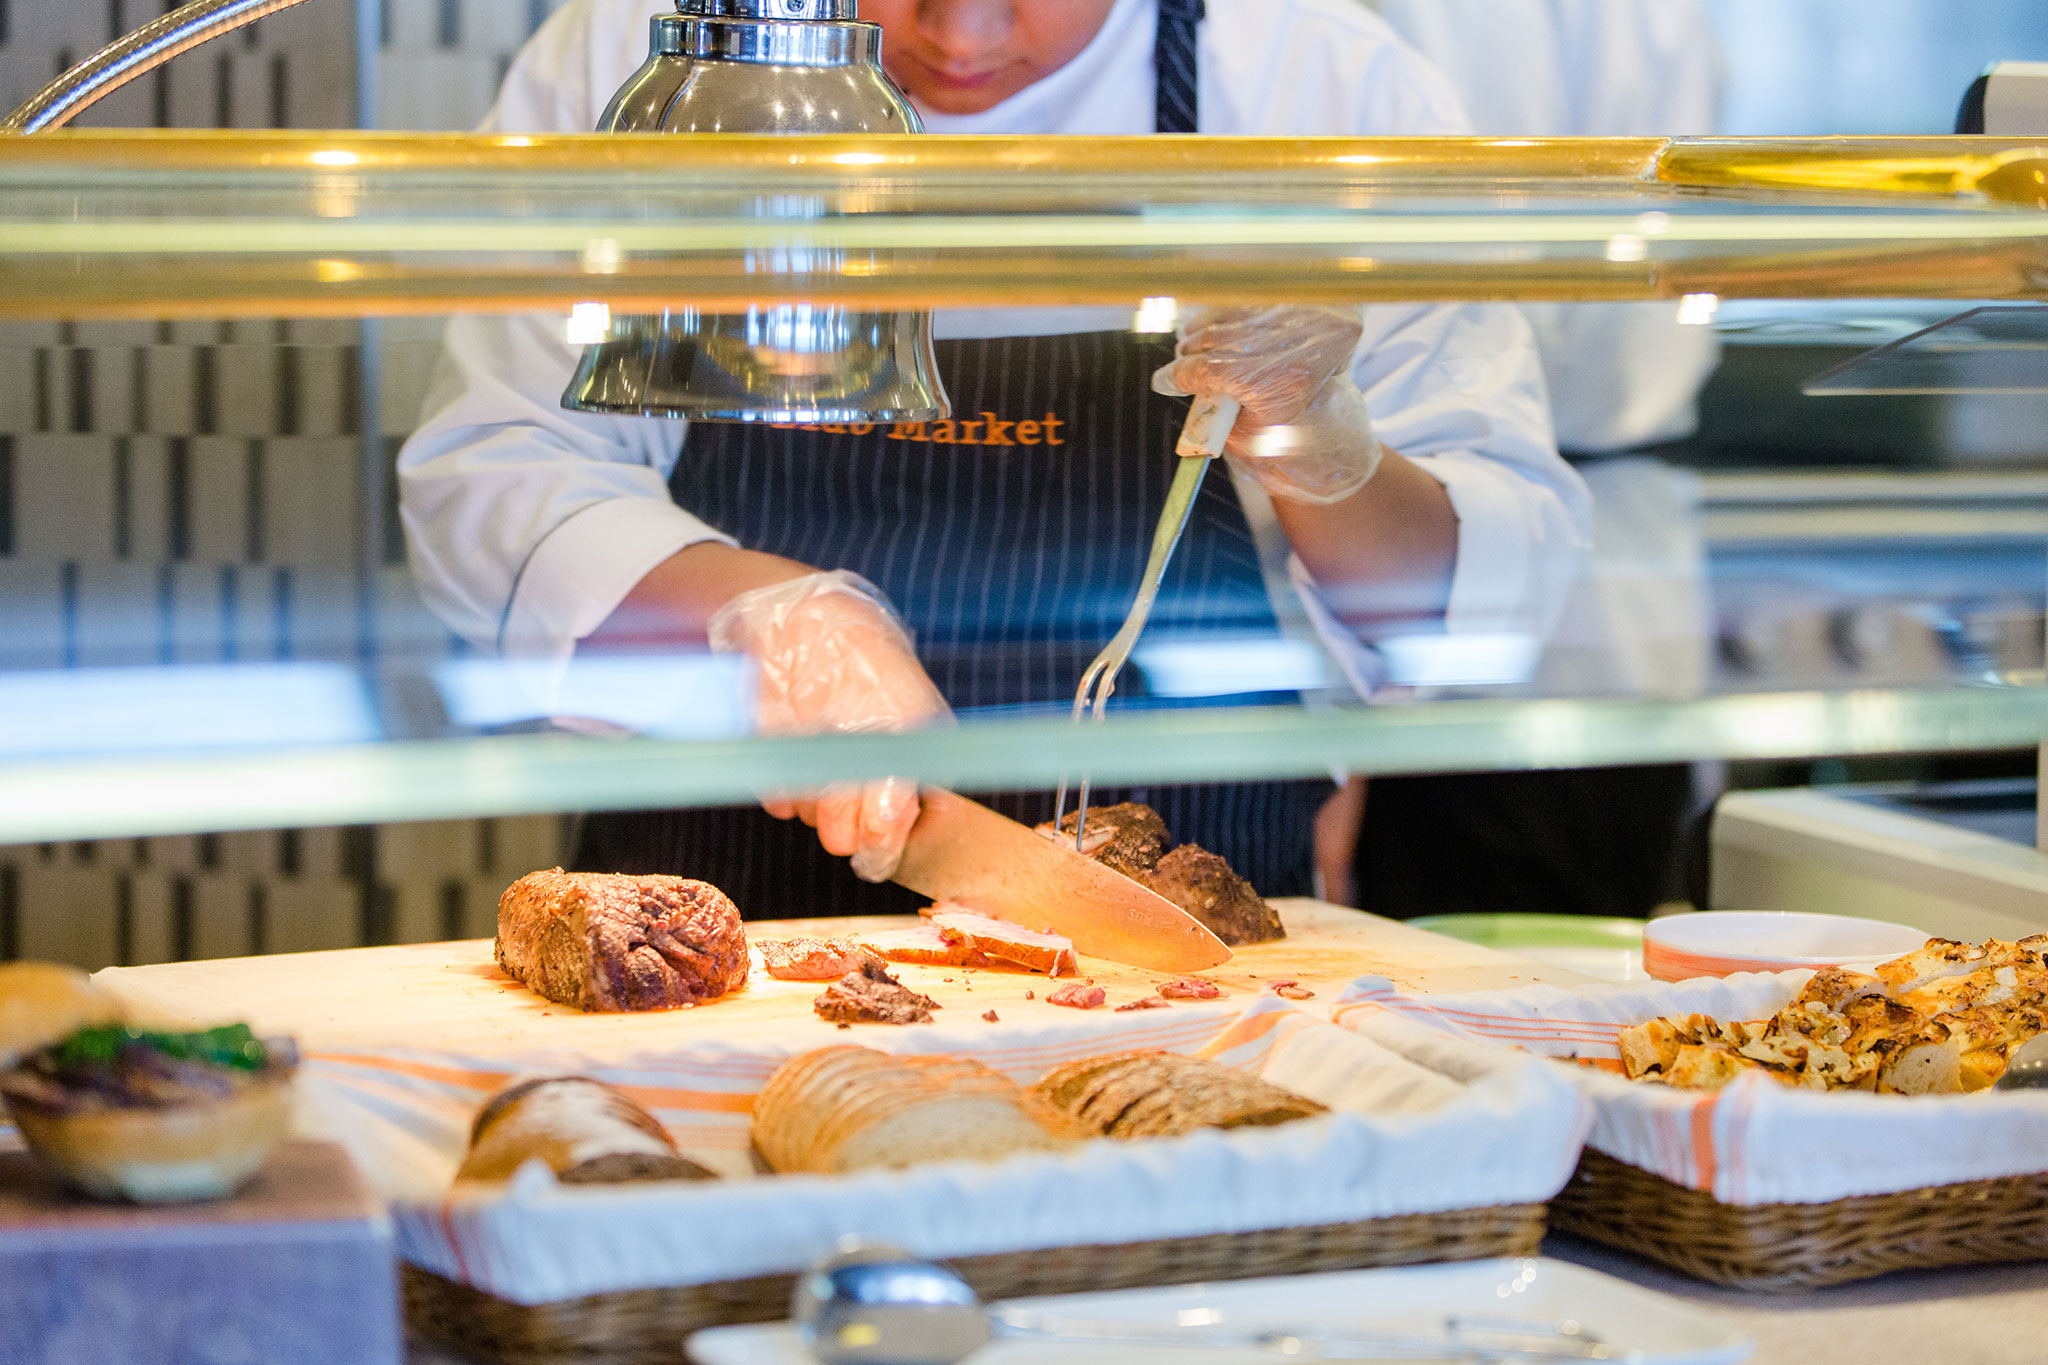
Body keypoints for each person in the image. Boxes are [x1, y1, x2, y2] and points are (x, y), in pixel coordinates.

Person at [398, 0, 1591, 919]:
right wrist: (761, 620)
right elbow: (499, 471)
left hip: (1178, 939)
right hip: (717, 922)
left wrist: (1316, 445)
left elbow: (1471, 603)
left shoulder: (1321, 84)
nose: (959, 35)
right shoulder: (653, 60)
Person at [1320, 0, 1724, 916]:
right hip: (1574, 573)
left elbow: (1456, 329)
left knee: (1487, 1003)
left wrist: (1347, 729)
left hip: (1461, 562)